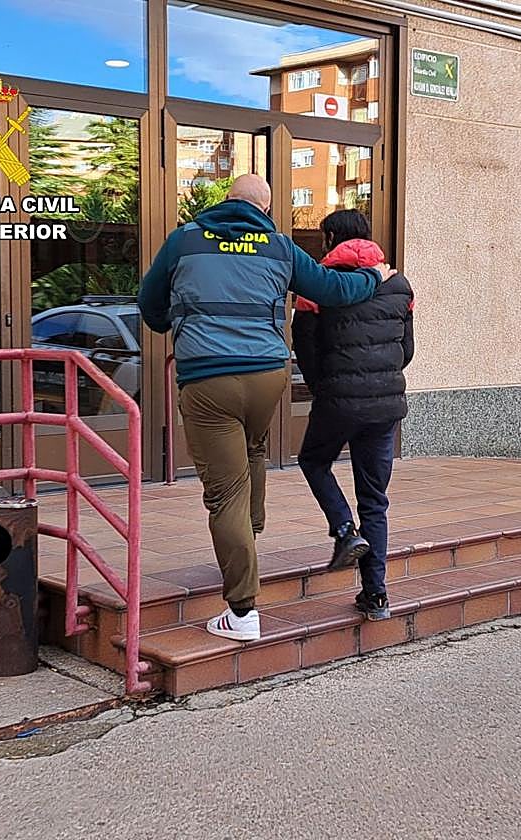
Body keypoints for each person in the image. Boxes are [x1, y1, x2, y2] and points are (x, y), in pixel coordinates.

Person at [139, 176, 391, 642]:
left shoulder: (185, 241)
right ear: (265, 208)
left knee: (223, 493)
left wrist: (175, 317)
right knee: (253, 449)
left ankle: (241, 613)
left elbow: (149, 307)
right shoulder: (278, 246)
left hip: (208, 379)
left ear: (228, 200)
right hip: (268, 376)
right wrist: (372, 276)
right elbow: (332, 288)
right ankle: (249, 533)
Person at [292, 210, 414, 621]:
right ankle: (376, 595)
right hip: (385, 407)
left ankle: (344, 529)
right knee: (375, 500)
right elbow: (407, 351)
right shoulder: (398, 285)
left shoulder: (318, 287)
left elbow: (305, 350)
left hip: (338, 402)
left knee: (313, 461)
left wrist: (324, 387)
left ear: (329, 238)